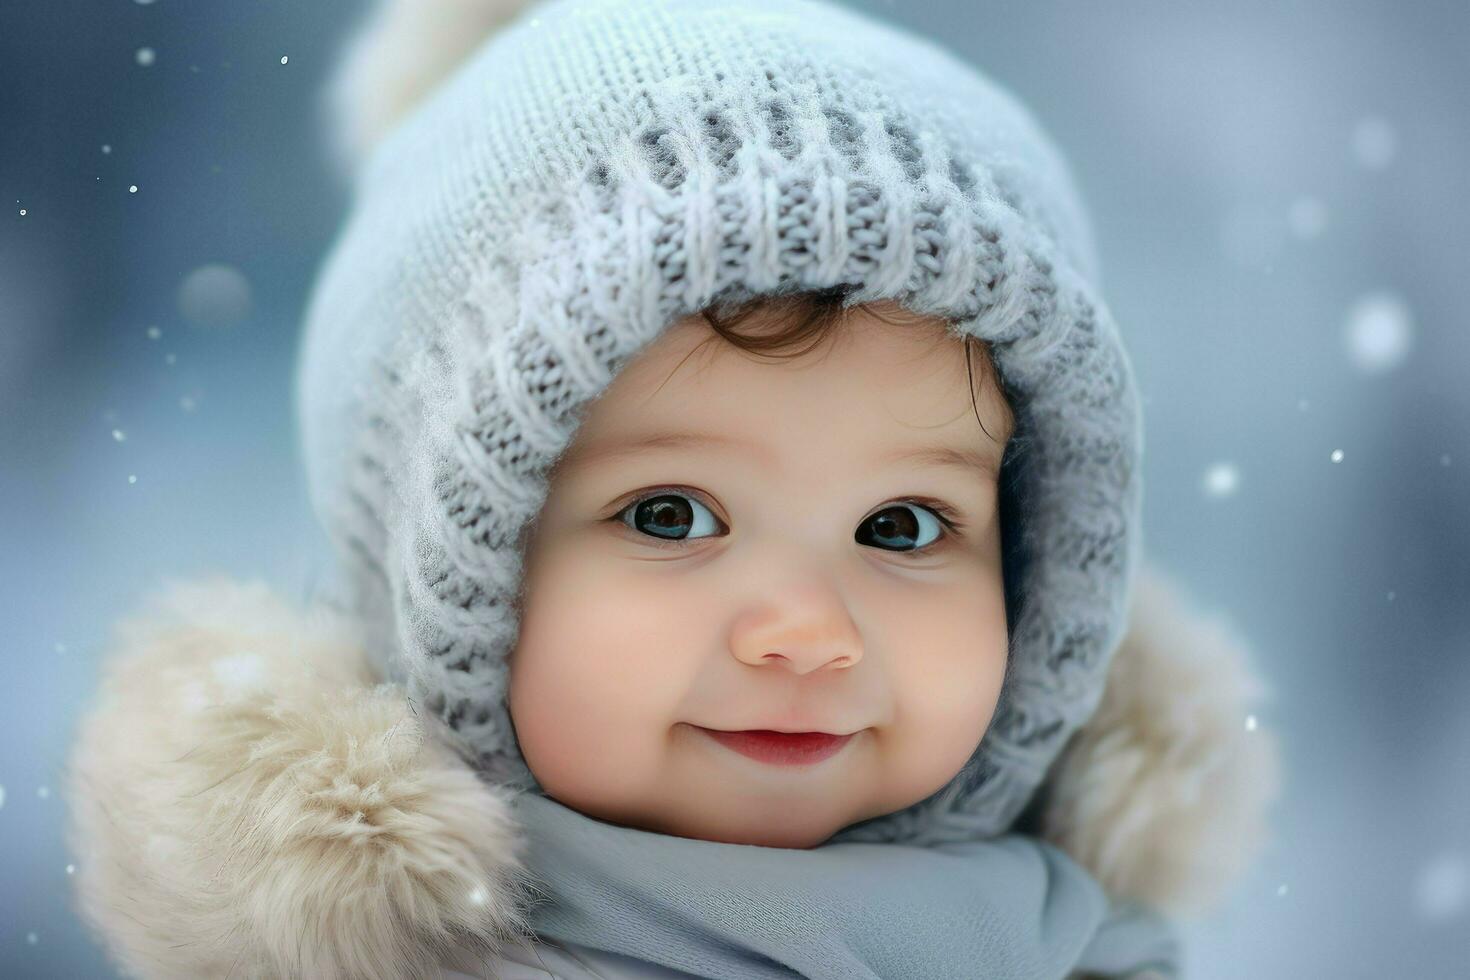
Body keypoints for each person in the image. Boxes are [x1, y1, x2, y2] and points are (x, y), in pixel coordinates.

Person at [63, 0, 1283, 977]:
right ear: (446, 579)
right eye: (672, 515)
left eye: (901, 525)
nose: (808, 632)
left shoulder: (1082, 946)